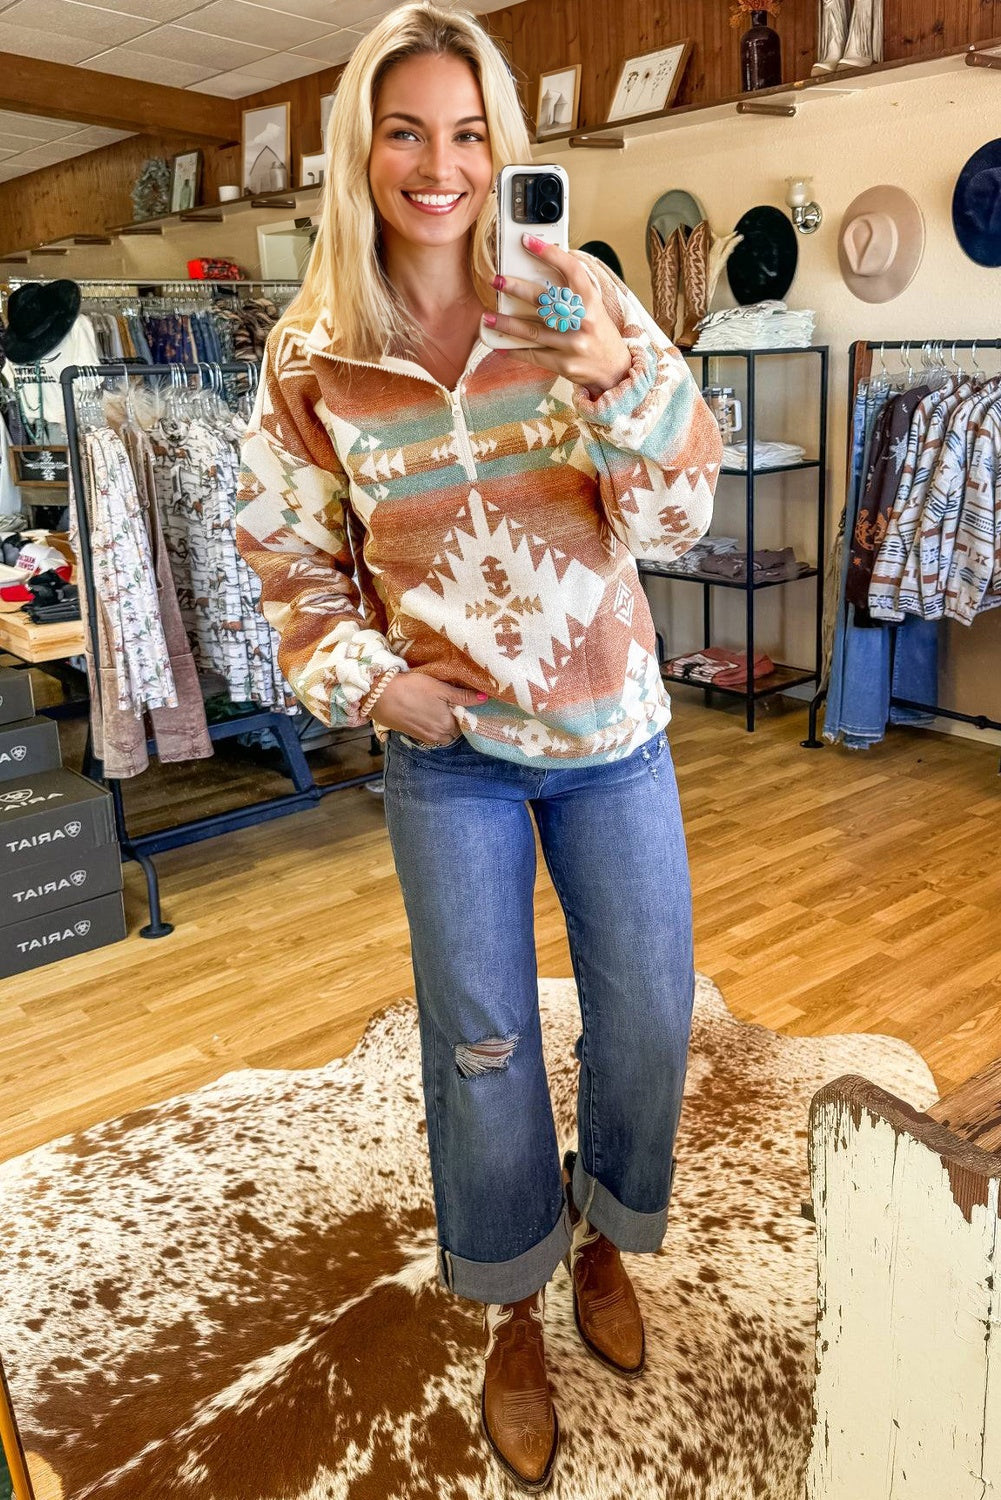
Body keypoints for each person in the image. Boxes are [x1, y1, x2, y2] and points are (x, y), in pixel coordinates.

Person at [236, 3, 722, 1490]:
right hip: (448, 755)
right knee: (481, 1042)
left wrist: (613, 371)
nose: (438, 167)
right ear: (361, 151)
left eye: (466, 134)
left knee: (647, 1013)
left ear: (502, 151)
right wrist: (377, 687)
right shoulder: (314, 356)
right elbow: (285, 562)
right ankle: (511, 1299)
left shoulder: (579, 299)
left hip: (609, 730)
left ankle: (606, 1233)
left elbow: (676, 517)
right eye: (405, 132)